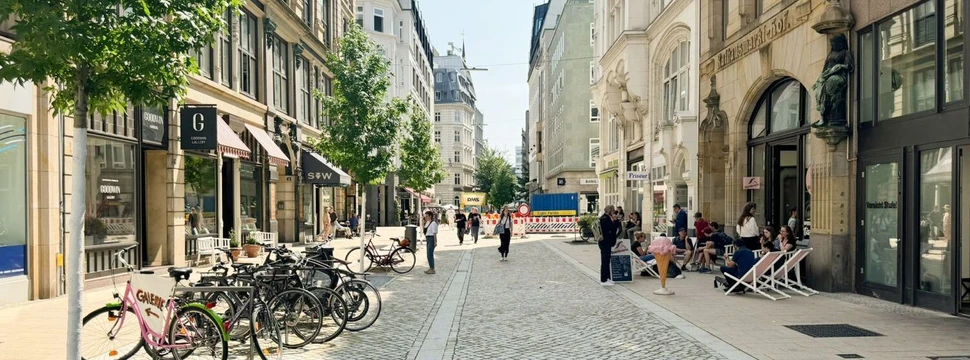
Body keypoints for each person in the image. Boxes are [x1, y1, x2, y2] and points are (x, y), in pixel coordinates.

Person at [598, 205, 621, 286]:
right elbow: (612, 229)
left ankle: (607, 277)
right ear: (610, 211)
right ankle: (603, 279)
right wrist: (615, 221)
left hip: (606, 242)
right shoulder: (605, 219)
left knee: (607, 261)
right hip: (605, 242)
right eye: (613, 210)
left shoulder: (605, 218)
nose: (614, 212)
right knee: (605, 261)